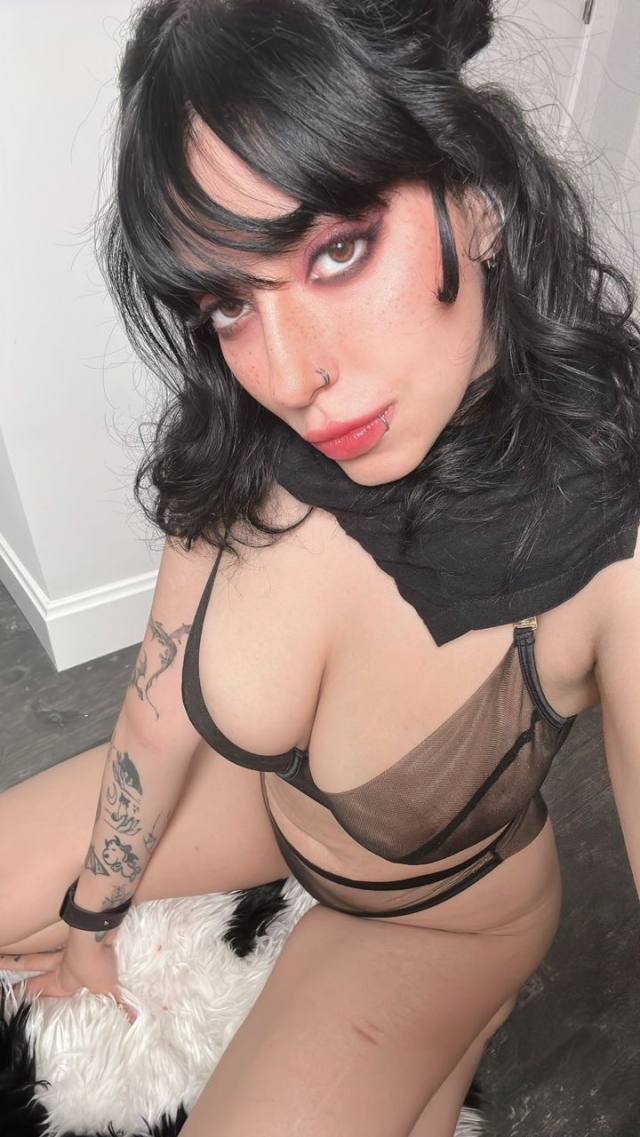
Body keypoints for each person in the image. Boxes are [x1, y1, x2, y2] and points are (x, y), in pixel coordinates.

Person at [2, 0, 639, 1133]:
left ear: (476, 195)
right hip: (266, 808)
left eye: (337, 250)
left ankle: (456, 1028)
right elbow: (156, 714)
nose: (292, 376)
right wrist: (93, 922)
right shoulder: (245, 432)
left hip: (440, 908)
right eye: (228, 301)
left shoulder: (615, 542)